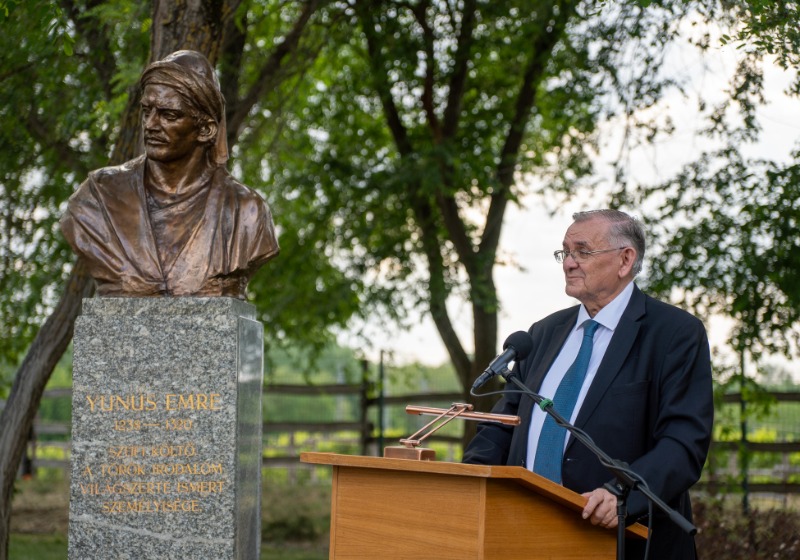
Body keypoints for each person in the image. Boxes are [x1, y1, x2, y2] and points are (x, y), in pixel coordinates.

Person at [462, 209, 713, 560]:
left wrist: (622, 494)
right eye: (565, 252)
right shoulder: (543, 333)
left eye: (582, 251)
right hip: (525, 535)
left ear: (625, 260)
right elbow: (505, 423)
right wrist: (471, 480)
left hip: (625, 541)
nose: (569, 263)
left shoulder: (674, 333)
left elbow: (683, 442)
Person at [61, 50, 279, 298]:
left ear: (206, 130)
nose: (150, 125)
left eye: (169, 115)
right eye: (147, 111)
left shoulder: (247, 212)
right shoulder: (96, 198)